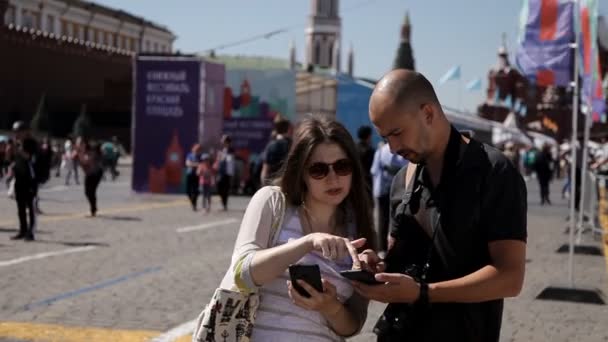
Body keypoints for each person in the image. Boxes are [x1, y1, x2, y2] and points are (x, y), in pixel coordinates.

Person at [355, 70, 527, 341]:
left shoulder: (493, 171)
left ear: (428, 113)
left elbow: (510, 276)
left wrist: (424, 292)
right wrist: (375, 267)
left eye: (397, 133)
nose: (392, 147)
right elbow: (401, 264)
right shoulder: (403, 180)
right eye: (385, 137)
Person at [227, 115, 376, 341]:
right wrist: (306, 243)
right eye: (318, 170)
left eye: (342, 166)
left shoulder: (358, 228)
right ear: (302, 173)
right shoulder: (274, 203)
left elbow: (352, 326)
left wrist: (330, 307)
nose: (333, 178)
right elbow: (242, 274)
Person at [370, 142, 408, 254]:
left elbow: (374, 170)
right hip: (400, 191)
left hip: (382, 189)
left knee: (382, 220)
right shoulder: (403, 149)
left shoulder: (381, 151)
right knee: (397, 219)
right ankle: (393, 247)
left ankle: (382, 247)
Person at [10, 138, 38, 241]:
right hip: (19, 181)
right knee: (20, 208)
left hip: (29, 182)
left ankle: (31, 232)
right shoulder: (17, 150)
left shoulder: (30, 148)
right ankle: (23, 230)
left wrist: (19, 150)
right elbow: (14, 163)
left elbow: (29, 158)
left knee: (31, 208)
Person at [260, 117, 292, 185]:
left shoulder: (271, 145)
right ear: (288, 129)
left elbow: (265, 170)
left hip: (273, 183)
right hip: (289, 183)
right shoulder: (293, 145)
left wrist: (264, 187)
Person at [79, 139, 103, 217]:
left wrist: (81, 156)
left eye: (81, 145)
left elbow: (87, 162)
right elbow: (84, 165)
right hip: (90, 173)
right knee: (88, 192)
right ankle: (94, 208)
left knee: (91, 191)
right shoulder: (85, 153)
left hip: (96, 173)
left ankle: (93, 210)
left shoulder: (92, 153)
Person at [214, 135, 235, 211]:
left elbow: (229, 160)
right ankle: (223, 201)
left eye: (223, 140)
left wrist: (222, 156)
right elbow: (218, 159)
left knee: (225, 188)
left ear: (227, 142)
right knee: (219, 186)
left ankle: (224, 204)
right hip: (220, 171)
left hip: (227, 172)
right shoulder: (221, 149)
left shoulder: (231, 150)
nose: (221, 142)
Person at [357, 125, 375, 200]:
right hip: (367, 183)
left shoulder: (353, 147)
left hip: (356, 181)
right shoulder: (370, 151)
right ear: (368, 136)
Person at [185, 143, 202, 211]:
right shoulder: (190, 155)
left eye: (198, 149)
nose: (197, 150)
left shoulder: (200, 157)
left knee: (196, 191)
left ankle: (194, 204)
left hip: (197, 175)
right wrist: (196, 164)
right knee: (188, 191)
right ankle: (192, 202)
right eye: (196, 149)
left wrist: (194, 164)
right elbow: (187, 163)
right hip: (190, 174)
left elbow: (201, 165)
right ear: (193, 149)